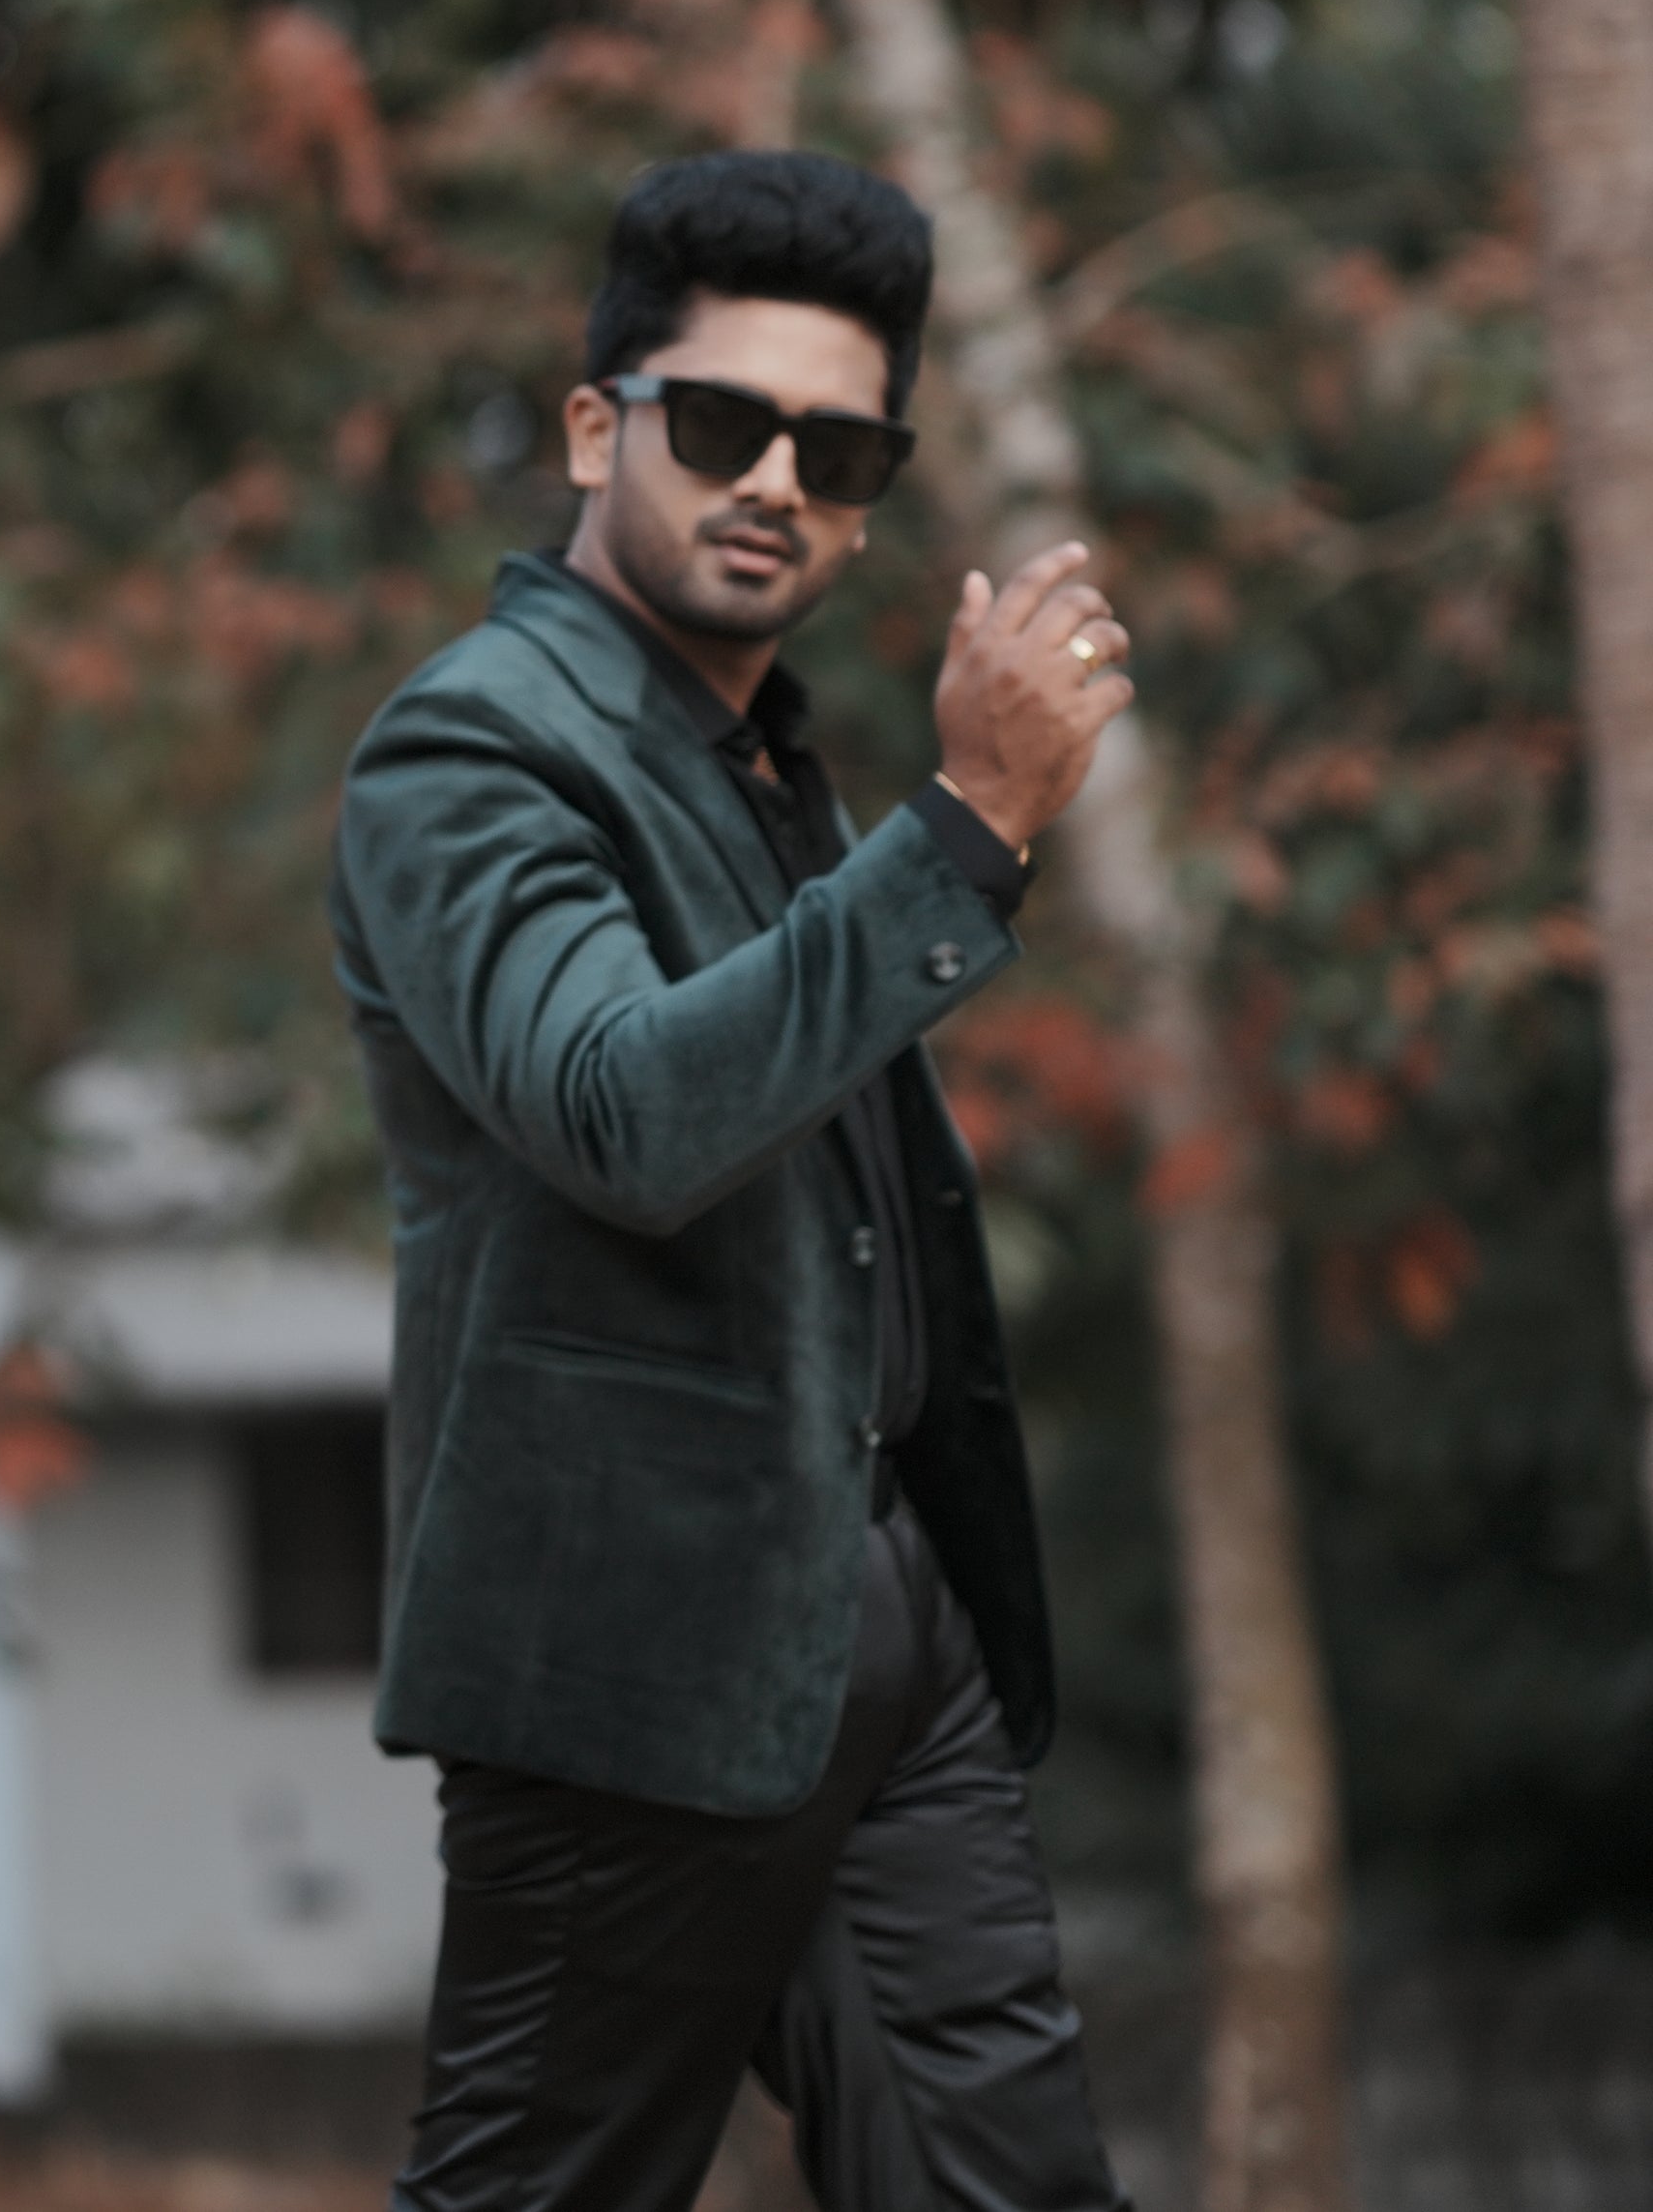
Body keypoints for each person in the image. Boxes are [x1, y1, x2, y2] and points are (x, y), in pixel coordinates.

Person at [331, 152, 1140, 2212]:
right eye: (720, 422)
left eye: (839, 444)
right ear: (597, 426)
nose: (777, 476)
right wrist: (966, 825)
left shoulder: (762, 760)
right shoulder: (466, 751)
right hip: (629, 1654)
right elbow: (622, 1109)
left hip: (880, 1614)